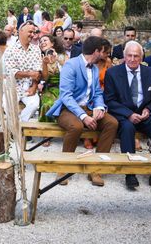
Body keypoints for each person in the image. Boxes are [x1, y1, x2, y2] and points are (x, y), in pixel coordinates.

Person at [46, 36, 118, 187]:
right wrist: (84, 116)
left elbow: (98, 93)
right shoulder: (71, 65)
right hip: (67, 109)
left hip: (89, 107)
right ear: (96, 51)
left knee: (112, 123)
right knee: (76, 126)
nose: (105, 55)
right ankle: (63, 167)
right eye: (102, 51)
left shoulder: (95, 68)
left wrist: (99, 107)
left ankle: (96, 168)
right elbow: (66, 96)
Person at [103, 41, 151, 193]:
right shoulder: (113, 73)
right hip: (124, 114)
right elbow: (110, 100)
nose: (132, 59)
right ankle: (130, 173)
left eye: (136, 56)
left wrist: (148, 109)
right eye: (129, 56)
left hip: (144, 114)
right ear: (124, 56)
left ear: (142, 57)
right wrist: (129, 114)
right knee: (127, 128)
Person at [4, 21, 42, 122]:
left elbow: (38, 72)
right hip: (13, 87)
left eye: (34, 32)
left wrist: (34, 87)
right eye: (30, 32)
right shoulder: (10, 49)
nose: (32, 35)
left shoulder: (36, 49)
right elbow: (12, 72)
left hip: (29, 88)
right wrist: (29, 74)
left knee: (34, 104)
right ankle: (14, 129)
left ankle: (20, 125)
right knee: (7, 105)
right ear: (21, 31)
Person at [38, 35, 67, 123]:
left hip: (63, 88)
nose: (42, 42)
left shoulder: (62, 56)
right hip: (49, 89)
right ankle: (46, 132)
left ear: (52, 43)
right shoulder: (40, 58)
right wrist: (44, 64)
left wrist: (57, 59)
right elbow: (45, 78)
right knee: (47, 105)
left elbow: (69, 71)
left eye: (45, 40)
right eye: (41, 41)